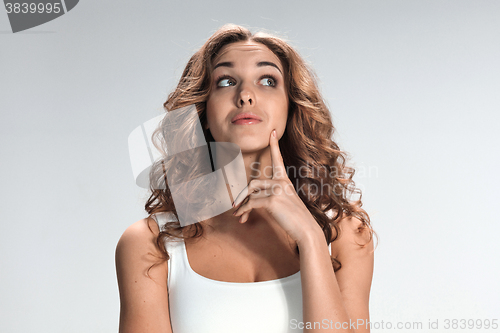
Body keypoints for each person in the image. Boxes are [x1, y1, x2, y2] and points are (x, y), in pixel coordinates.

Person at [116, 24, 375, 333]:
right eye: (226, 81)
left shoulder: (345, 235)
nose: (246, 95)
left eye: (267, 80)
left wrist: (310, 237)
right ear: (204, 112)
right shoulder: (150, 244)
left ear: (291, 106)